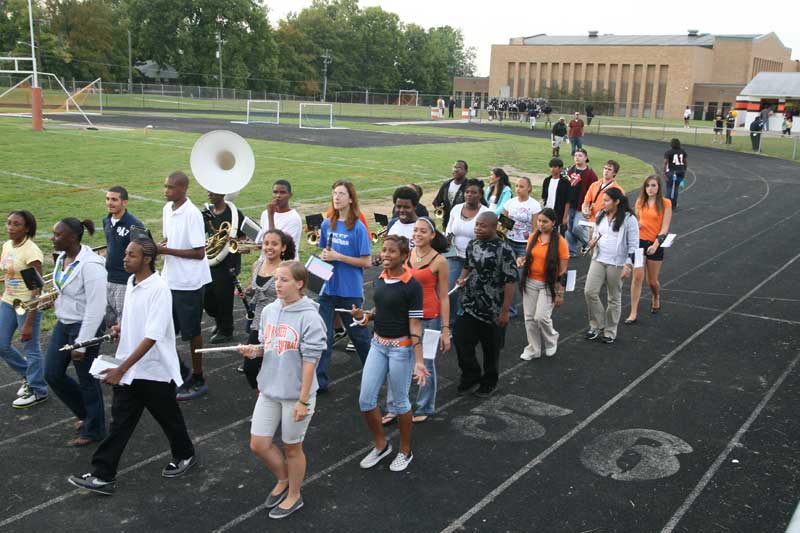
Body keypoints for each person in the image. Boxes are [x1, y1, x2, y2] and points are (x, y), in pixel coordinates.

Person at [68, 237, 197, 496]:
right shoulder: (131, 281)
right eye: (125, 254)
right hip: (132, 369)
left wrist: (120, 369)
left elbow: (152, 336)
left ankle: (186, 455)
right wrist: (122, 327)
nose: (124, 258)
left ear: (147, 259)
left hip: (154, 371)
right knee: (120, 423)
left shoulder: (159, 289)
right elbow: (136, 319)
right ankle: (103, 475)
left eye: (131, 255)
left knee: (169, 419)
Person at [239, 261, 327, 519]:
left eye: (284, 280)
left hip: (296, 394)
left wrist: (303, 401)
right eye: (276, 279)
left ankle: (294, 495)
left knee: (292, 448)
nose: (277, 284)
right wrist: (254, 350)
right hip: (269, 389)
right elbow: (268, 346)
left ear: (299, 284)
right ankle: (284, 477)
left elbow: (311, 362)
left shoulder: (310, 316)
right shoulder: (269, 310)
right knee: (258, 444)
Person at [355, 235, 429, 472]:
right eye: (383, 250)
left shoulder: (412, 286)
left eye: (391, 252)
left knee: (399, 402)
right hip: (377, 345)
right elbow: (382, 310)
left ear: (404, 256)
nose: (385, 255)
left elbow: (415, 325)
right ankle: (381, 445)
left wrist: (419, 361)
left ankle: (405, 451)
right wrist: (365, 316)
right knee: (366, 400)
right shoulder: (380, 278)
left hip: (401, 350)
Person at [381, 218, 451, 425]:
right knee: (398, 362)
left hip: (430, 319)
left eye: (423, 231)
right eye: (415, 231)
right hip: (406, 317)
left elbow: (444, 296)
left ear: (432, 235)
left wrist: (446, 329)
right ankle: (393, 407)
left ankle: (425, 406)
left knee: (426, 363)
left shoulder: (440, 261)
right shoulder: (407, 255)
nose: (418, 234)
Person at [45, 218, 107, 446]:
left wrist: (82, 342)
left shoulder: (91, 266)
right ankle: (87, 414)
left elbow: (96, 307)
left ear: (72, 238)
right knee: (52, 373)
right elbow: (66, 291)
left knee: (87, 380)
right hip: (65, 323)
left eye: (57, 235)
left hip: (84, 327)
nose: (52, 238)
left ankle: (95, 430)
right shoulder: (63, 258)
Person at [157, 171, 212, 401]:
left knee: (192, 333)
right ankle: (181, 373)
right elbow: (170, 239)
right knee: (162, 331)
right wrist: (159, 246)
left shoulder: (192, 214)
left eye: (170, 187)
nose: (166, 191)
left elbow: (199, 253)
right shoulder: (167, 210)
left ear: (183, 189)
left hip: (189, 282)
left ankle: (198, 377)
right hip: (170, 279)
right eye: (165, 186)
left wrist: (165, 250)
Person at [453, 212, 518, 397]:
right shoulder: (473, 243)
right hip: (470, 304)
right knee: (461, 340)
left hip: (493, 308)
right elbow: (468, 265)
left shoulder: (504, 250)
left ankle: (489, 382)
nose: (477, 229)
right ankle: (471, 375)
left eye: (482, 226)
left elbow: (510, 281)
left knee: (491, 349)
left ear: (494, 227)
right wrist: (461, 279)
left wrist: (505, 311)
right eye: (476, 225)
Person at [316, 181, 372, 392]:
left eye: (341, 193)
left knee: (359, 336)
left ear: (350, 199)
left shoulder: (358, 227)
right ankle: (320, 382)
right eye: (334, 194)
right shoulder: (326, 224)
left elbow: (366, 262)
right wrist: (324, 257)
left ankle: (373, 372)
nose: (336, 197)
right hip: (327, 290)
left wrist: (338, 256)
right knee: (323, 337)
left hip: (349, 291)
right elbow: (324, 253)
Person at [0, 210, 48, 408]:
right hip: (8, 301)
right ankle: (29, 375)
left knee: (30, 346)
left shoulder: (31, 252)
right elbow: (8, 274)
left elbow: (37, 287)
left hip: (27, 304)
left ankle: (38, 390)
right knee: (1, 344)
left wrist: (29, 321)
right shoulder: (6, 245)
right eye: (9, 223)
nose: (10, 227)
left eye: (16, 224)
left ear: (27, 228)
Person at [241, 229, 296, 389]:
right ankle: (263, 397)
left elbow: (294, 297)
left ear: (283, 247)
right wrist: (246, 291)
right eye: (266, 243)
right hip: (259, 323)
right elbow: (254, 289)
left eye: (274, 244)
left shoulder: (287, 269)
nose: (269, 247)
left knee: (279, 369)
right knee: (249, 368)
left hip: (280, 325)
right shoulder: (257, 265)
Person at [584, 188, 638, 344]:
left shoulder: (629, 219)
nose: (603, 203)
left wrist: (628, 265)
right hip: (599, 258)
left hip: (617, 263)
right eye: (603, 200)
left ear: (617, 202)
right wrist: (593, 241)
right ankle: (597, 324)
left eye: (607, 200)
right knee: (589, 291)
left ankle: (610, 331)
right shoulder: (600, 215)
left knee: (614, 297)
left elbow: (634, 245)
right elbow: (596, 234)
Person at [517, 209, 569, 360]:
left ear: (553, 223)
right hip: (530, 282)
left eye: (545, 221)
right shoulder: (533, 237)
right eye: (539, 221)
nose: (541, 224)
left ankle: (551, 339)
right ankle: (533, 348)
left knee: (541, 317)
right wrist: (522, 260)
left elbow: (564, 270)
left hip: (548, 284)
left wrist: (560, 293)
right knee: (529, 318)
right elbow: (529, 258)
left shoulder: (560, 242)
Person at [202, 190, 247, 344]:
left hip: (228, 262)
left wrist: (235, 240)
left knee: (223, 297)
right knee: (208, 296)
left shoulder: (234, 213)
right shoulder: (207, 213)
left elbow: (244, 235)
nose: (208, 193)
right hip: (210, 259)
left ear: (222, 193)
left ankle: (226, 330)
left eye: (212, 191)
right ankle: (219, 321)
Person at [444, 179, 491, 327]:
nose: (469, 195)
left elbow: (488, 237)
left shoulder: (486, 213)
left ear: (480, 194)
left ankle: (469, 323)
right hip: (455, 257)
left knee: (472, 293)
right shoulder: (456, 209)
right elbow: (449, 230)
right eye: (467, 192)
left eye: (473, 192)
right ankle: (452, 324)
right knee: (452, 290)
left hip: (475, 260)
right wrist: (447, 240)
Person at [626, 176, 672, 323]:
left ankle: (656, 295)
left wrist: (655, 245)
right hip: (639, 243)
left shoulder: (665, 203)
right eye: (647, 186)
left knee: (651, 281)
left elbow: (665, 228)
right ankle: (633, 312)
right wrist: (637, 225)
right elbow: (636, 221)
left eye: (653, 185)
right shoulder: (640, 202)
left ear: (658, 187)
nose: (650, 188)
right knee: (637, 277)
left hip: (655, 244)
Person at [102, 186, 143, 328]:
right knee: (110, 322)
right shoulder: (106, 221)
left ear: (124, 202)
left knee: (124, 324)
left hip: (124, 281)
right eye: (107, 199)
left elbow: (144, 253)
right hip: (108, 279)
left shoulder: (135, 225)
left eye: (114, 199)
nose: (109, 203)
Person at [257, 180, 303, 260]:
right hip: (265, 262)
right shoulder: (265, 213)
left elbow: (276, 243)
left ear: (290, 195)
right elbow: (263, 240)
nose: (278, 196)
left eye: (283, 192)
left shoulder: (294, 218)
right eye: (275, 192)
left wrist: (270, 216)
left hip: (284, 264)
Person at [564, 148, 598, 257]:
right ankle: (571, 251)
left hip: (582, 206)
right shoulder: (570, 170)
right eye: (576, 155)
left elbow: (595, 191)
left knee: (577, 227)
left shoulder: (590, 174)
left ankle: (588, 244)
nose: (577, 157)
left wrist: (590, 206)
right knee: (569, 229)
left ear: (586, 158)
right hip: (569, 205)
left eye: (580, 155)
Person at [432, 160, 468, 230]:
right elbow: (437, 201)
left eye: (459, 168)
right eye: (454, 167)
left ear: (466, 171)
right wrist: (439, 209)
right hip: (447, 223)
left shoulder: (469, 186)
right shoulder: (446, 185)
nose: (456, 170)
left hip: (463, 224)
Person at [540, 158, 572, 233]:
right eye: (551, 167)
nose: (552, 169)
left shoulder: (565, 182)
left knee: (557, 234)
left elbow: (567, 201)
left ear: (560, 168)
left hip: (558, 213)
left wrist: (565, 217)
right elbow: (544, 197)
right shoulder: (547, 180)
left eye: (555, 167)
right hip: (547, 211)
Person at [662, 139, 687, 210]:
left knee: (669, 188)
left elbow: (665, 163)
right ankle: (674, 205)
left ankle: (667, 205)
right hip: (680, 172)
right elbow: (685, 162)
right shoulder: (683, 151)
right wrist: (684, 170)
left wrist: (663, 173)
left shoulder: (668, 152)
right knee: (675, 188)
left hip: (672, 172)